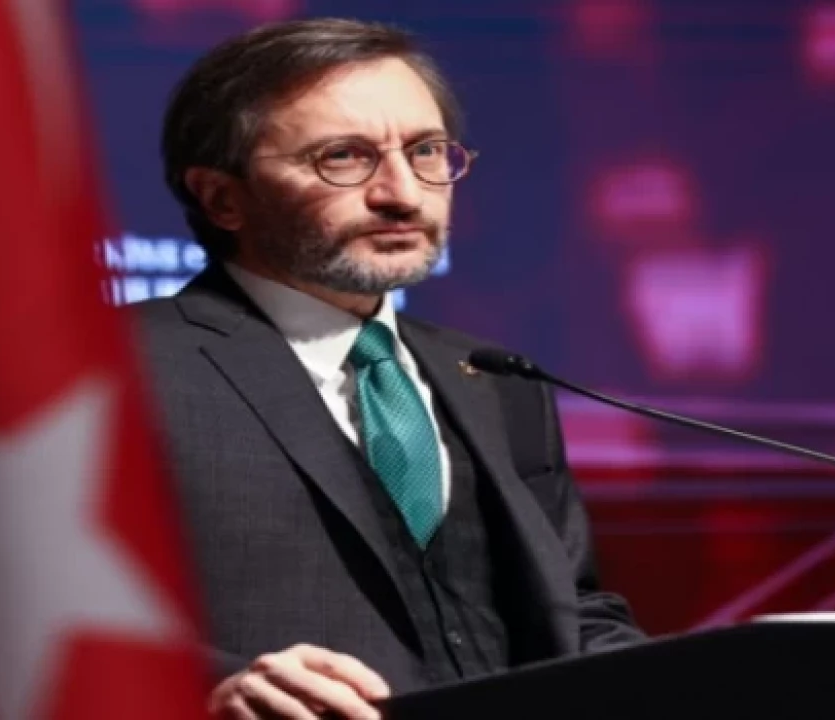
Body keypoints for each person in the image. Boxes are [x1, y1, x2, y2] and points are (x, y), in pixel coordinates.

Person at [131, 17, 646, 719]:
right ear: (222, 197)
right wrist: (210, 690)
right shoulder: (127, 368)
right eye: (344, 158)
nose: (403, 193)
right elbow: (30, 616)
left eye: (427, 151)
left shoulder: (496, 379)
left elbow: (576, 613)